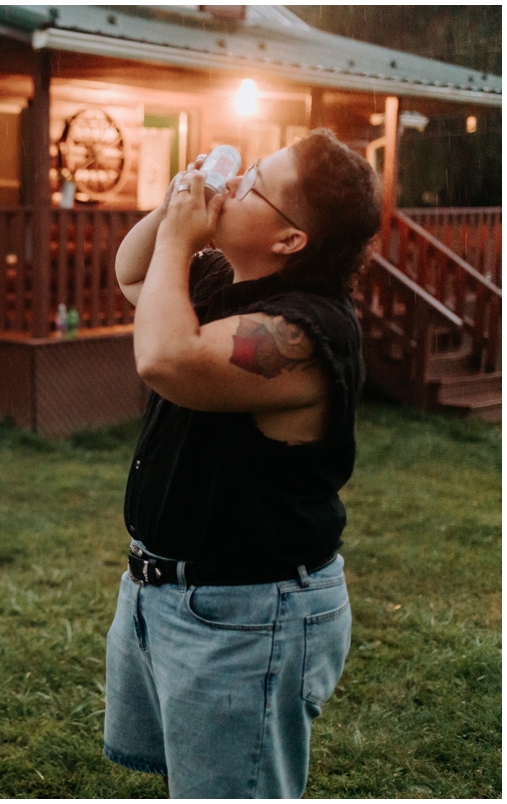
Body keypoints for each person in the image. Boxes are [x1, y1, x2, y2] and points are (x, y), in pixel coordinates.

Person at [102, 129, 380, 798]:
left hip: (248, 614)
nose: (234, 183)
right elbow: (135, 275)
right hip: (166, 591)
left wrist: (179, 236)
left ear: (290, 241)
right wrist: (178, 209)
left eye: (255, 183)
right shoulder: (222, 278)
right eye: (249, 167)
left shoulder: (304, 333)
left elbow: (166, 358)